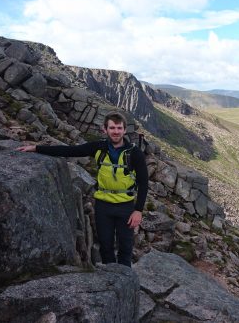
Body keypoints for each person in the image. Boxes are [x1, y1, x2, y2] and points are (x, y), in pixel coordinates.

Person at [16, 111, 148, 267]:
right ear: (105, 129)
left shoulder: (134, 153)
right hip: (103, 206)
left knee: (125, 249)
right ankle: (111, 282)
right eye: (112, 128)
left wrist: (138, 210)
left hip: (126, 206)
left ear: (125, 130)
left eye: (119, 128)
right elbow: (70, 151)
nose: (116, 132)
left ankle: (126, 284)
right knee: (106, 248)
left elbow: (143, 182)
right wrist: (36, 148)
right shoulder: (99, 147)